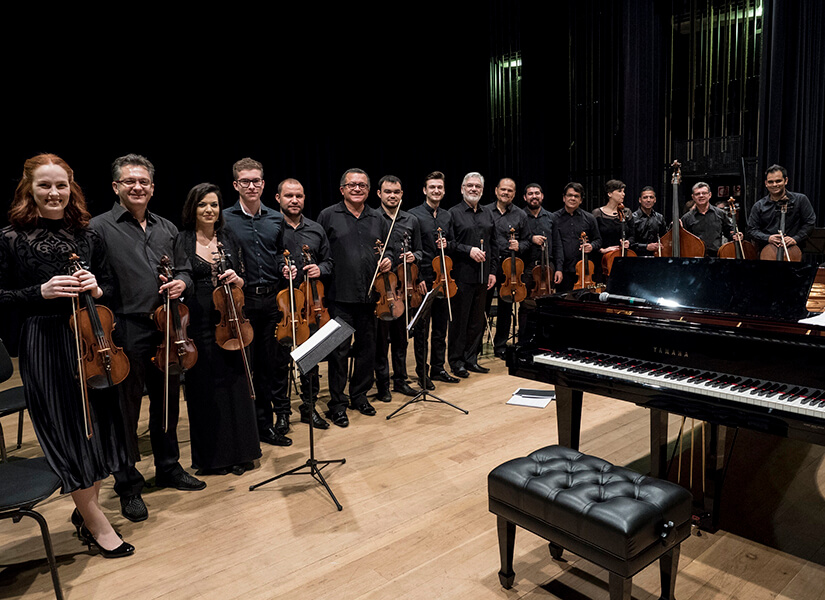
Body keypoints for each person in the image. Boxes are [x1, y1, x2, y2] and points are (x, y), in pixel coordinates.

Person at [1, 154, 134, 557]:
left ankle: (86, 510)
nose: (54, 193)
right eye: (45, 185)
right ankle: (97, 524)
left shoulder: (88, 235)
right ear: (29, 190)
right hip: (44, 342)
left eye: (61, 185)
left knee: (97, 428)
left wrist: (96, 288)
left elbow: (111, 286)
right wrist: (35, 293)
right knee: (69, 432)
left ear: (71, 187)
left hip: (91, 340)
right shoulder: (10, 238)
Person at [91, 154, 205, 525]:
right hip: (125, 329)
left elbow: (186, 268)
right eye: (130, 182)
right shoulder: (99, 228)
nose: (137, 187)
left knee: (168, 400)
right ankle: (127, 484)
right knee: (125, 410)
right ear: (116, 187)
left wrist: (182, 283)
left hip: (168, 328)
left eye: (144, 182)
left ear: (153, 188)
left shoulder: (167, 228)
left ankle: (168, 466)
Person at [178, 183, 261, 476]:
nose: (209, 210)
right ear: (193, 208)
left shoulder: (229, 237)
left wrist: (237, 279)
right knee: (206, 390)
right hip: (199, 323)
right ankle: (215, 458)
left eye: (213, 204)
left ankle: (243, 452)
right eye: (203, 204)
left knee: (236, 386)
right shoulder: (183, 240)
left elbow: (245, 278)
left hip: (231, 319)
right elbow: (182, 276)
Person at [222, 158, 292, 447]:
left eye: (257, 181)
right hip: (242, 302)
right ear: (236, 184)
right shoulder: (224, 218)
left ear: (263, 184)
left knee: (268, 366)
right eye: (245, 181)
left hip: (271, 300)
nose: (252, 186)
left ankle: (264, 426)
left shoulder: (276, 218)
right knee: (240, 369)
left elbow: (277, 253)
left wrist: (284, 267)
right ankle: (242, 432)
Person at [317, 168, 395, 427]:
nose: (357, 189)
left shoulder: (378, 218)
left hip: (371, 297)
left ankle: (359, 395)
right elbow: (322, 255)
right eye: (352, 185)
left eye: (362, 185)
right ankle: (337, 404)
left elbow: (390, 248)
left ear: (369, 190)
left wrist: (389, 259)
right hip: (340, 297)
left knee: (367, 350)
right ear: (342, 189)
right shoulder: (328, 215)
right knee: (338, 352)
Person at [276, 178, 332, 430]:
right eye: (289, 196)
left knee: (312, 360)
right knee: (278, 364)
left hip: (310, 307)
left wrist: (319, 268)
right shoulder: (271, 227)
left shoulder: (316, 229)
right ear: (278, 198)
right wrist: (280, 268)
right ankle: (281, 413)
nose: (294, 200)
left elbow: (330, 262)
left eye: (298, 196)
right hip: (282, 308)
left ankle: (309, 407)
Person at [408, 171, 458, 389]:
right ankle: (422, 373)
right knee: (422, 331)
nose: (436, 190)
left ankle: (438, 368)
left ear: (444, 191)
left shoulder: (447, 216)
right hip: (424, 279)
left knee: (441, 328)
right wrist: (418, 276)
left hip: (443, 278)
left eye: (440, 187)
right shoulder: (414, 215)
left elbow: (454, 244)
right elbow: (412, 250)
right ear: (424, 190)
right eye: (432, 187)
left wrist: (448, 245)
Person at [374, 175, 422, 401]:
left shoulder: (411, 220)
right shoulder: (372, 218)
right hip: (382, 290)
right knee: (381, 342)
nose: (392, 195)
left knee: (401, 339)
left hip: (403, 289)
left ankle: (401, 380)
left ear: (402, 194)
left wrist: (415, 256)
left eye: (396, 192)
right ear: (379, 194)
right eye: (387, 192)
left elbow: (422, 251)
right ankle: (382, 385)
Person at [447, 172, 499, 378]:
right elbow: (449, 244)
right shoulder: (452, 213)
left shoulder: (488, 213)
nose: (474, 189)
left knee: (478, 321)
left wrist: (493, 271)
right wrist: (467, 250)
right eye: (470, 186)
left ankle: (471, 359)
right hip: (462, 275)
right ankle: (456, 361)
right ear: (462, 188)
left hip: (484, 276)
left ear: (482, 190)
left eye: (477, 186)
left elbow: (494, 245)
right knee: (460, 321)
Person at [485, 178, 529, 359]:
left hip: (510, 268)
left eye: (510, 190)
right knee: (483, 307)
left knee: (506, 308)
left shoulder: (520, 215)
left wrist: (520, 246)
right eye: (503, 189)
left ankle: (501, 345)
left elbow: (528, 241)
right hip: (489, 266)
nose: (506, 193)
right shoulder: (485, 211)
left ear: (514, 193)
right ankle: (473, 347)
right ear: (496, 191)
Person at [747, 164, 816, 254]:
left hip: (794, 251)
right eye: (770, 182)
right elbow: (751, 229)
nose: (774, 185)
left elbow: (810, 223)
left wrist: (796, 238)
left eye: (778, 181)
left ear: (786, 180)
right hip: (767, 253)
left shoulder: (800, 200)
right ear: (766, 183)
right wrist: (768, 238)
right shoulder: (759, 206)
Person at [521, 183, 563, 330]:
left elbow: (557, 244)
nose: (534, 196)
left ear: (542, 196)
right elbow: (516, 240)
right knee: (526, 304)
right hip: (527, 266)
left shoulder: (551, 217)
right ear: (525, 197)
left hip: (548, 266)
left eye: (537, 193)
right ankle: (524, 338)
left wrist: (559, 268)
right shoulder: (520, 216)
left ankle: (544, 336)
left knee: (547, 304)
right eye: (530, 194)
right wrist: (531, 239)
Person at [553, 182, 602, 292]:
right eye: (570, 195)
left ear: (580, 200)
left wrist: (592, 246)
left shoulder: (589, 218)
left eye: (576, 196)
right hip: (564, 270)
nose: (573, 198)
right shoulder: (554, 218)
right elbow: (555, 246)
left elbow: (598, 240)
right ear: (564, 198)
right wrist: (558, 269)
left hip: (584, 270)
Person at [681, 182, 738, 257]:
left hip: (716, 257)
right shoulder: (686, 218)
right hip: (695, 257)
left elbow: (729, 232)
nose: (701, 196)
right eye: (697, 194)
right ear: (693, 197)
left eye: (704, 193)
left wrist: (736, 235)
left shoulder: (720, 213)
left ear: (709, 195)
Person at [592, 179, 633, 280]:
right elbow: (593, 237)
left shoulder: (626, 212)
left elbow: (632, 235)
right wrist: (602, 250)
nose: (623, 194)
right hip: (603, 260)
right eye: (619, 191)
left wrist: (628, 242)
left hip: (623, 257)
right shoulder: (597, 213)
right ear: (610, 194)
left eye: (623, 191)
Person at [631, 187, 667, 256]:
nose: (648, 200)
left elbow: (665, 238)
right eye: (645, 197)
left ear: (655, 200)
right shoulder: (633, 218)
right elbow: (630, 243)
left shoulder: (660, 217)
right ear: (640, 200)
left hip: (656, 257)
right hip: (636, 257)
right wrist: (646, 247)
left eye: (651, 197)